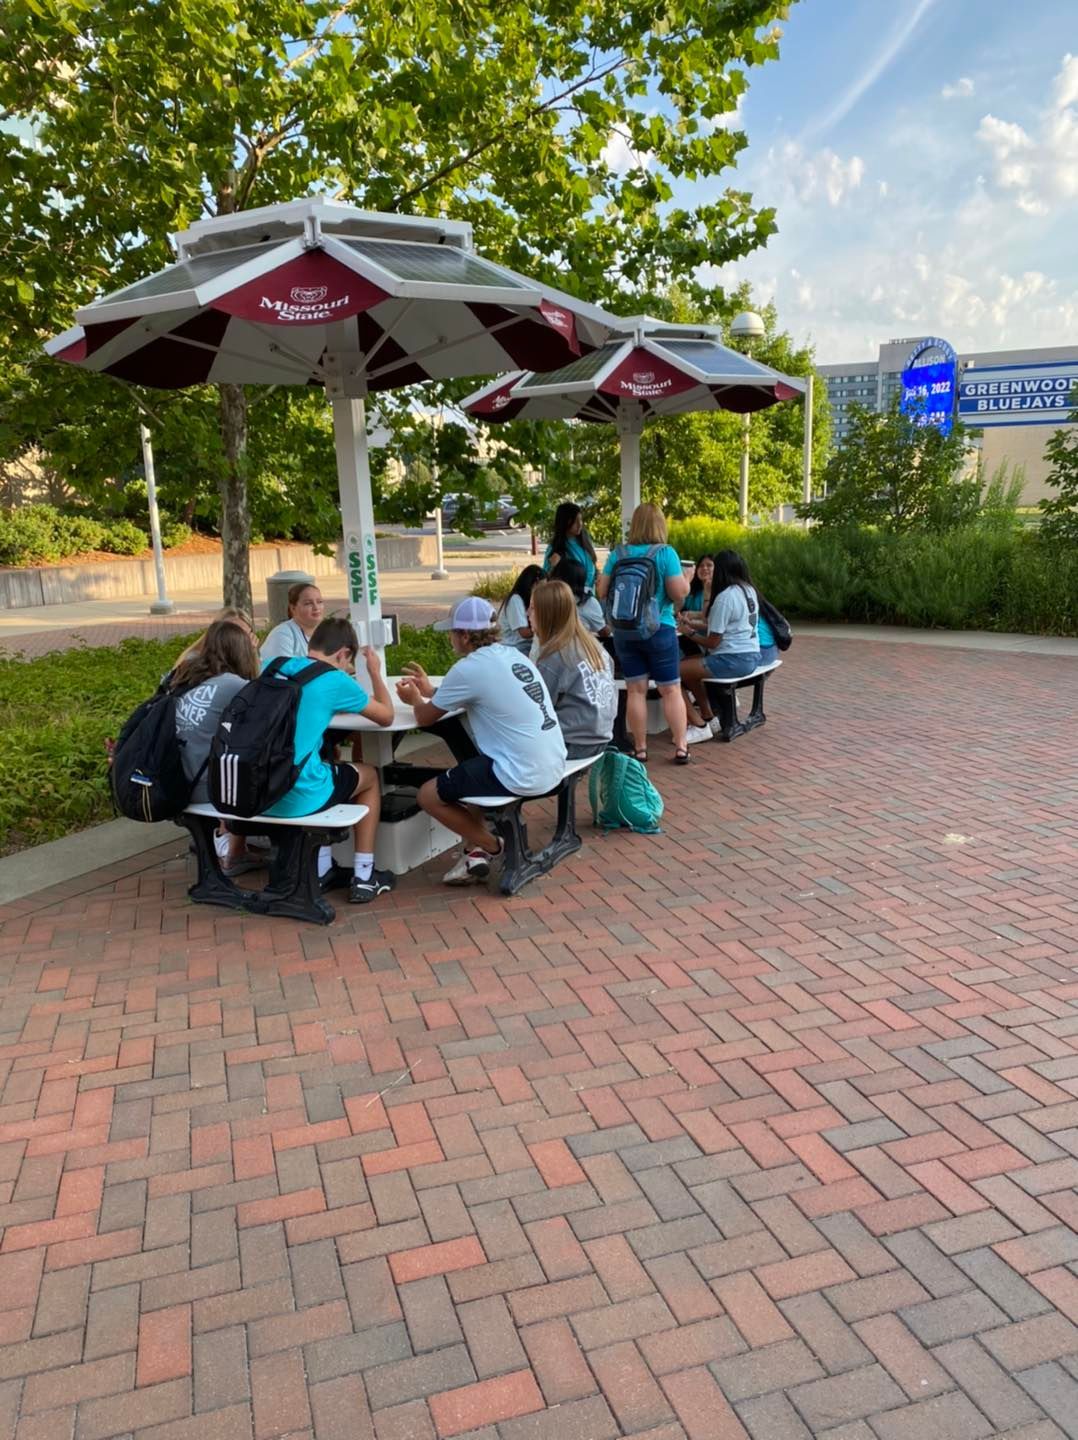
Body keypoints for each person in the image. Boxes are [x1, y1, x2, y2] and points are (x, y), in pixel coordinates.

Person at [395, 596, 566, 886]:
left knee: (428, 795)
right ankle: (473, 852)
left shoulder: (469, 668)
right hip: (553, 762)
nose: (450, 638)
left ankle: (492, 845)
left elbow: (424, 718)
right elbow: (474, 692)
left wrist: (414, 699)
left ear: (464, 635)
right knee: (470, 767)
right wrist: (431, 691)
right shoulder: (513, 655)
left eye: (452, 632)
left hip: (519, 771)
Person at [265, 616, 397, 903]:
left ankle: (324, 868)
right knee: (369, 776)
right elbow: (386, 716)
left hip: (260, 789)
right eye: (349, 665)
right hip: (298, 795)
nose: (348, 670)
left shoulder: (274, 667)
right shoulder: (335, 679)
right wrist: (374, 672)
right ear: (343, 654)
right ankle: (364, 876)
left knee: (328, 765)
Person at [595, 503, 691, 764]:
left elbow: (601, 591)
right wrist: (687, 579)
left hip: (625, 632)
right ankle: (681, 746)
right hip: (660, 628)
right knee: (670, 690)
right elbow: (678, 593)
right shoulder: (666, 553)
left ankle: (640, 748)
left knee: (635, 691)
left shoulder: (618, 554)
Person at [170, 618, 262, 876]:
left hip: (175, 781)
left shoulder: (185, 676)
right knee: (249, 765)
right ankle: (235, 854)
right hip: (204, 789)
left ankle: (228, 845)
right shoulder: (235, 685)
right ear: (241, 651)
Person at [680, 549, 763, 743]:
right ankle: (708, 716)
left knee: (669, 674)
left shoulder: (725, 597)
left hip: (731, 660)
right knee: (688, 665)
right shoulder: (748, 590)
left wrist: (688, 633)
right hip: (751, 655)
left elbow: (713, 642)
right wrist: (692, 625)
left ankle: (699, 726)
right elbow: (724, 626)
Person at [529, 580, 616, 757]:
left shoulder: (554, 656)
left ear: (546, 614)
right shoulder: (593, 646)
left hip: (572, 742)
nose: (527, 614)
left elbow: (537, 707)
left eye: (532, 608)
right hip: (602, 736)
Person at [544, 502, 608, 635]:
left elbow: (592, 566)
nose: (580, 525)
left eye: (581, 520)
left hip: (589, 596)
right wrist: (554, 566)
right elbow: (546, 579)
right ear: (566, 522)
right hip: (572, 600)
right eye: (575, 521)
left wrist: (598, 576)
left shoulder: (584, 541)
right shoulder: (556, 548)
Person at [261, 582, 325, 662]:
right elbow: (283, 668)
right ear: (293, 608)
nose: (316, 607)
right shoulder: (283, 634)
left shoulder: (327, 632)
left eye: (319, 602)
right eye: (308, 603)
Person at [498, 565, 545, 652]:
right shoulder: (515, 600)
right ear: (534, 584)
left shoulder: (528, 599)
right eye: (542, 587)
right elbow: (524, 633)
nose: (544, 591)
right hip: (513, 648)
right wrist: (547, 630)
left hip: (524, 646)